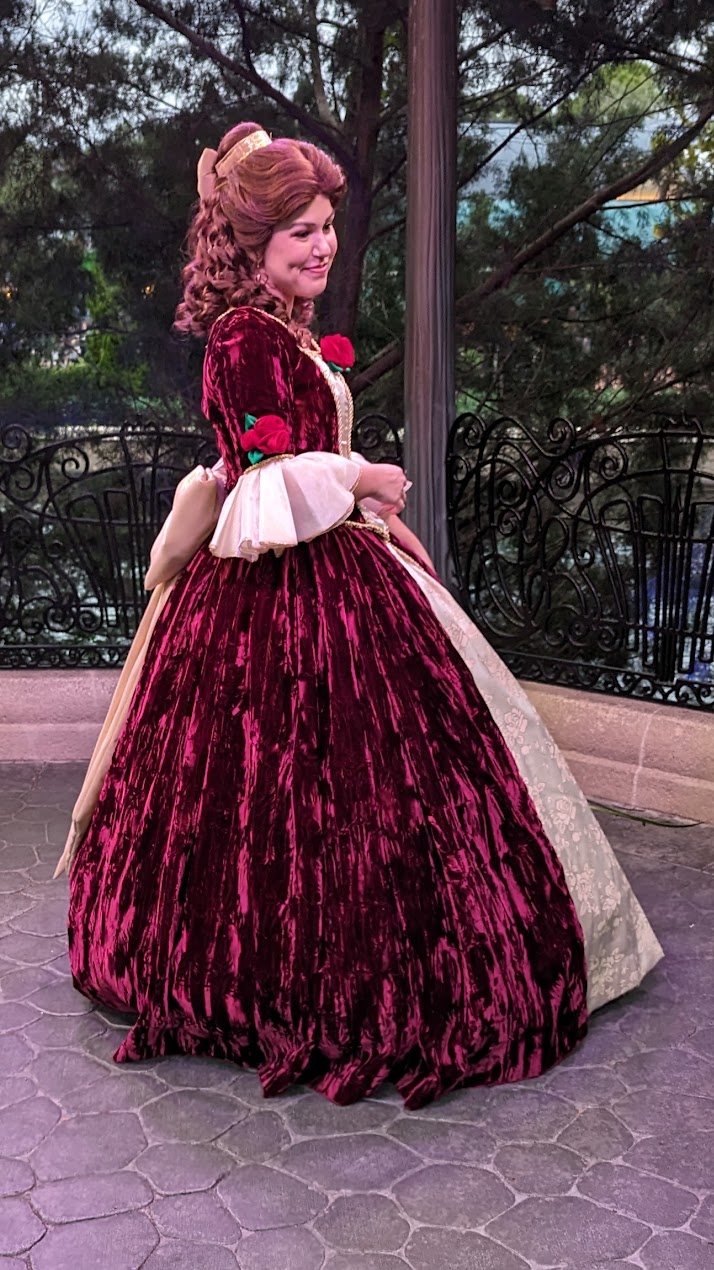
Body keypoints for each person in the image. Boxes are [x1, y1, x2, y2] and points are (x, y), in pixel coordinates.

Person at [62, 123, 662, 1110]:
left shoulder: (283, 333)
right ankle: (295, 986)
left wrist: (375, 510)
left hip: (337, 565)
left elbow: (297, 464)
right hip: (270, 595)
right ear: (251, 242)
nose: (323, 245)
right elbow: (265, 484)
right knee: (285, 794)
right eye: (299, 230)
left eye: (327, 227)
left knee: (401, 778)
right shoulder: (243, 338)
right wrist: (363, 476)